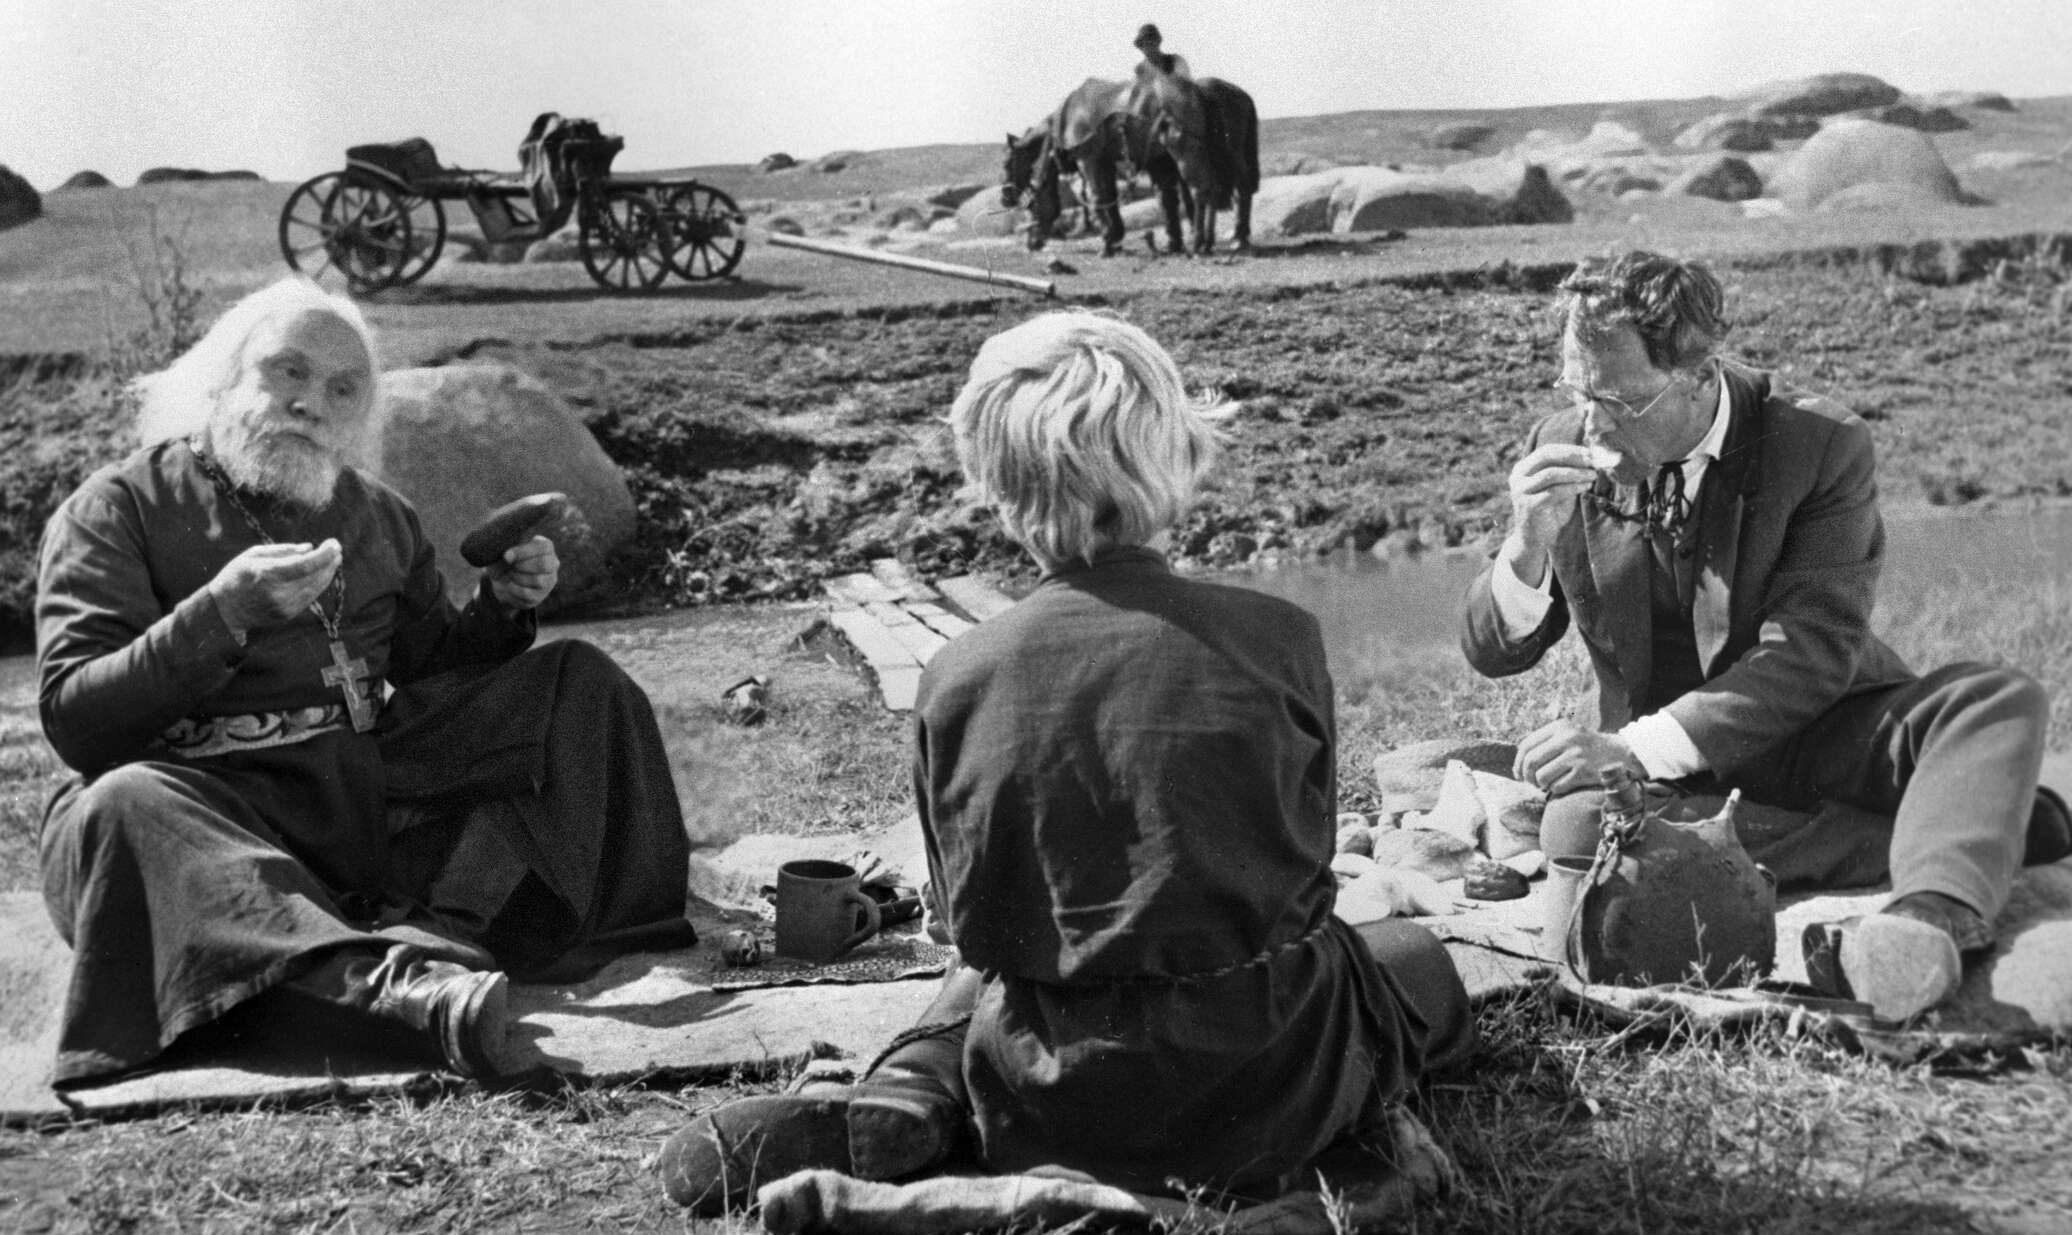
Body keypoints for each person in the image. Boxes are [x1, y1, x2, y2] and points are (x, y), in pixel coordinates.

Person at [659, 311, 1473, 1212]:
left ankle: (918, 1086)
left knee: (987, 977)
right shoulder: (1282, 637)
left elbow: (966, 930)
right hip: (1272, 1085)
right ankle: (1319, 1180)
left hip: (1051, 1101)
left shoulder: (955, 674)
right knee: (1416, 960)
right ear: (1176, 458)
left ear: (997, 489)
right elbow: (1306, 877)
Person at [36, 277, 694, 1087]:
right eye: (288, 371)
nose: (311, 403)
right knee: (123, 800)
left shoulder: (378, 515)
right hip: (195, 824)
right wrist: (219, 614)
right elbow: (76, 719)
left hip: (350, 807)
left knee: (576, 682)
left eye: (343, 389)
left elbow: (433, 666)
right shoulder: (116, 508)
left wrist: (500, 606)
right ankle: (394, 995)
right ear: (223, 375)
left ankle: (488, 926)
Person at [1460, 250, 2067, 1021]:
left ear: (1698, 374)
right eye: (1578, 391)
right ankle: (1940, 826)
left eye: (1618, 399)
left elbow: (1809, 651)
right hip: (1675, 785)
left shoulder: (1818, 443)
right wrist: (1525, 543)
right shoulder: (1560, 443)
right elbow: (1492, 651)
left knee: (1994, 699)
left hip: (1823, 728)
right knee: (1578, 824)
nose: (1593, 422)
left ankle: (1929, 918)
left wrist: (1630, 747)